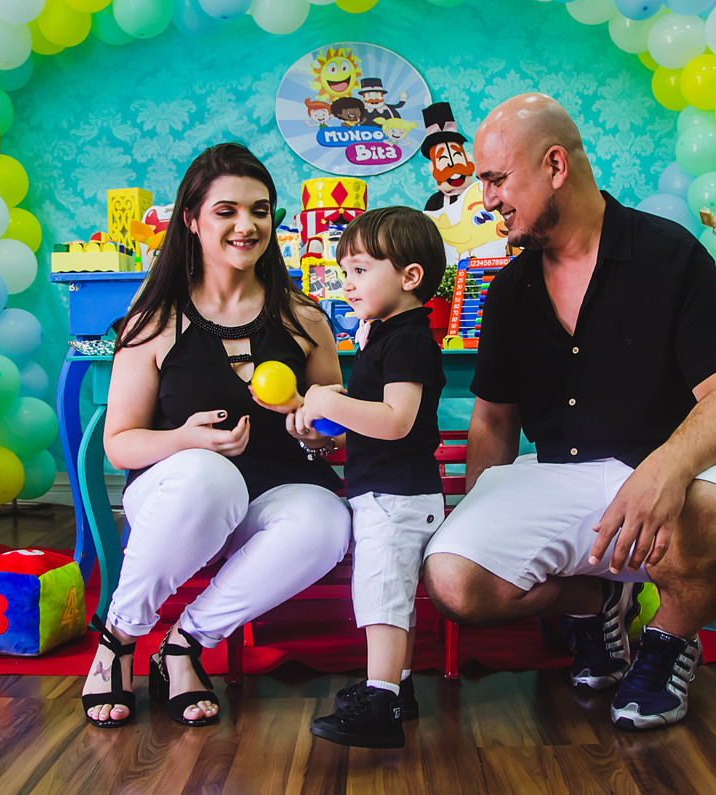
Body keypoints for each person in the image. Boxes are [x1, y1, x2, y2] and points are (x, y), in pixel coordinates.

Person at [422, 94, 716, 731]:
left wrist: (667, 469)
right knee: (453, 580)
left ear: (555, 165)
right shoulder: (507, 290)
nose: (487, 199)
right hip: (562, 474)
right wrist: (476, 513)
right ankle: (595, 602)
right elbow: (495, 421)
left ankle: (668, 642)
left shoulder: (671, 255)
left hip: (680, 467)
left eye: (497, 179)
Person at [80, 143, 352, 729]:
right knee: (210, 475)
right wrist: (185, 439)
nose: (246, 225)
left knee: (328, 520)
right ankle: (119, 638)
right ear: (192, 220)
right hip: (179, 497)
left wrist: (313, 421)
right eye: (226, 210)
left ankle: (182, 645)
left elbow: (332, 440)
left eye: (259, 210)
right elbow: (119, 443)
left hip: (274, 496)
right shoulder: (152, 320)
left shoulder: (303, 320)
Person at [279, 206, 447, 749]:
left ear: (409, 277)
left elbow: (397, 421)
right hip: (389, 489)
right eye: (344, 272)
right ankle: (397, 688)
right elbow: (380, 423)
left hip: (397, 494)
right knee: (391, 589)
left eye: (358, 271)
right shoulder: (386, 335)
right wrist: (328, 432)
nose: (346, 284)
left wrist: (330, 398)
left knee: (380, 591)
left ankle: (381, 703)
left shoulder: (409, 340)